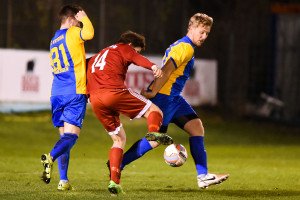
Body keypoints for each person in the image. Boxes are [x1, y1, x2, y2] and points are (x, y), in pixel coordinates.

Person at [121, 13, 229, 189]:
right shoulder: (185, 48)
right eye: (202, 32)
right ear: (191, 28)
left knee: (196, 127)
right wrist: (152, 90)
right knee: (154, 140)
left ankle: (203, 176)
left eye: (207, 33)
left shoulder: (184, 46)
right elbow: (167, 69)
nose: (204, 36)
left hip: (174, 98)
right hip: (165, 97)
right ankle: (118, 164)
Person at [86, 30, 173, 195]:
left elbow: (84, 72)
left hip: (96, 100)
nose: (135, 54)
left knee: (119, 139)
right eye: (137, 50)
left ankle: (114, 181)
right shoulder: (123, 47)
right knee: (155, 111)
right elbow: (136, 58)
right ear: (131, 45)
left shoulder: (99, 55)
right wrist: (153, 66)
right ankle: (153, 133)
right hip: (113, 91)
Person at [40, 4, 94, 191]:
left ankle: (63, 180)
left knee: (64, 138)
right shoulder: (72, 33)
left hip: (57, 93)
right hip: (74, 91)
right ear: (71, 20)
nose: (79, 25)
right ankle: (50, 157)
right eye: (77, 22)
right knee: (71, 136)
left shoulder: (54, 39)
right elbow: (89, 33)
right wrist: (85, 17)